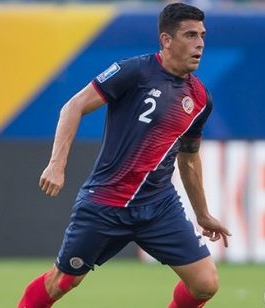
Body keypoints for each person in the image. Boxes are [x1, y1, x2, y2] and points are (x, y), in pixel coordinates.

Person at [17, 3, 231, 308]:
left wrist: (202, 213)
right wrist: (56, 164)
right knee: (62, 282)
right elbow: (73, 107)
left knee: (205, 284)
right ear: (166, 40)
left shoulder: (199, 98)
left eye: (202, 35)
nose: (199, 43)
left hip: (158, 207)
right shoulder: (134, 71)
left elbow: (189, 158)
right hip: (106, 203)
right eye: (190, 35)